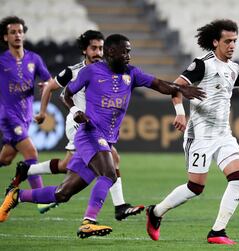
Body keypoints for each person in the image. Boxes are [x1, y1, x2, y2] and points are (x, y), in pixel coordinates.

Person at [0, 34, 205, 238]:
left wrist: (181, 89)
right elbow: (65, 94)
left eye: (130, 51)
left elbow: (160, 84)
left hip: (104, 139)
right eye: (124, 51)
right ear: (111, 52)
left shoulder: (131, 73)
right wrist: (75, 112)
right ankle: (89, 221)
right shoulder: (90, 72)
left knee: (63, 193)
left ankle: (18, 196)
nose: (128, 56)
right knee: (109, 174)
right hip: (89, 134)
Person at [145, 19, 239, 245]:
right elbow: (176, 88)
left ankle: (217, 232)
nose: (232, 45)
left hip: (223, 134)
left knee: (238, 178)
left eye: (235, 41)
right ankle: (155, 212)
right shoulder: (203, 64)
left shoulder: (234, 68)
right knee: (195, 187)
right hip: (200, 135)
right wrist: (180, 112)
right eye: (228, 41)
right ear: (215, 42)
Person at [9, 30, 144, 221]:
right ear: (84, 51)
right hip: (79, 126)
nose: (98, 52)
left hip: (95, 128)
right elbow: (50, 87)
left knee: (68, 167)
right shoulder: (74, 71)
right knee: (111, 160)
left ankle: (28, 172)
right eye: (94, 48)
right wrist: (42, 113)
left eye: (101, 48)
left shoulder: (108, 70)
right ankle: (118, 207)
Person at [0, 16, 56, 214]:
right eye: (13, 32)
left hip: (25, 116)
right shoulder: (1, 61)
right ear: (5, 37)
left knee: (6, 159)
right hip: (8, 117)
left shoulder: (34, 59)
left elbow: (50, 83)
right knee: (31, 153)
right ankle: (41, 199)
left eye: (20, 31)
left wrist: (44, 90)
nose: (17, 35)